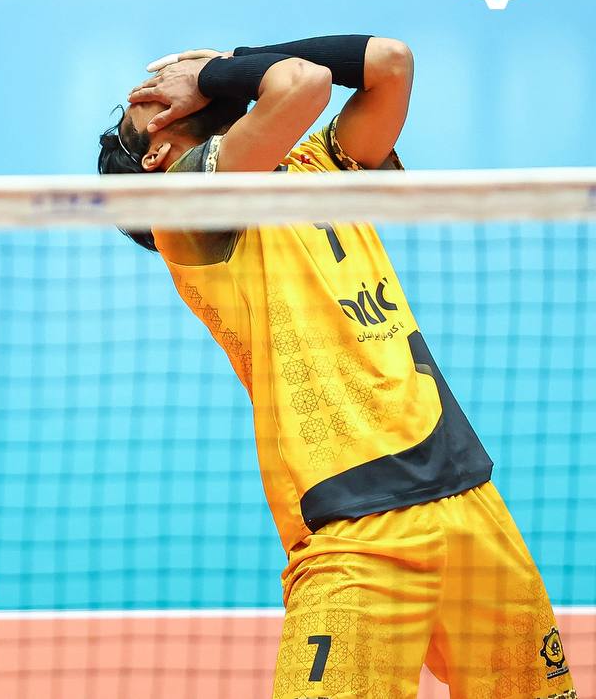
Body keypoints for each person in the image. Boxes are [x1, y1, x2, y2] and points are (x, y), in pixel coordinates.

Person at [97, 35, 575, 698]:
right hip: (356, 532)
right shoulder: (185, 208)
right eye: (143, 102)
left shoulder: (317, 162)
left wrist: (231, 61)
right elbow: (301, 84)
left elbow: (390, 64)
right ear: (155, 155)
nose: (158, 87)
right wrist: (210, 74)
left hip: (468, 498)